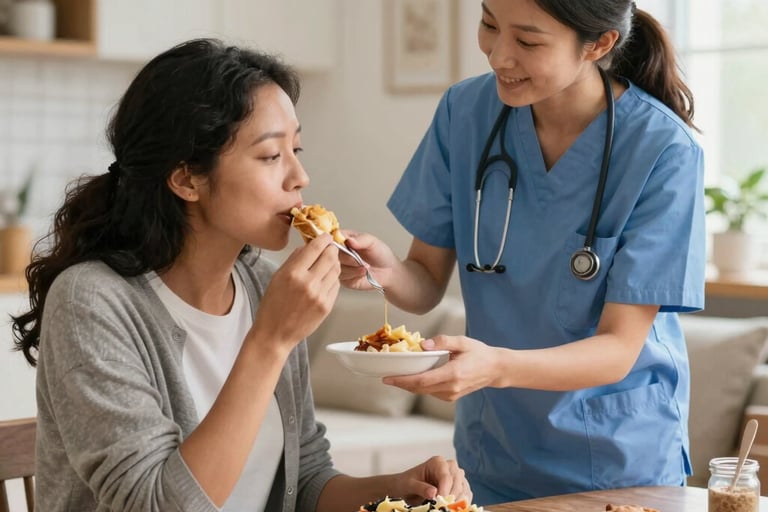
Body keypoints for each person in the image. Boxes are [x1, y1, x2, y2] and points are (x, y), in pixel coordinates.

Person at [10, 38, 470, 512]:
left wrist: (398, 489)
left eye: (297, 148)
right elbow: (154, 505)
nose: (300, 177)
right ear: (187, 178)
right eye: (272, 156)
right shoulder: (92, 301)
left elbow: (304, 478)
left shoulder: (261, 283)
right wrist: (270, 339)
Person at [339, 0, 705, 505]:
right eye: (489, 24)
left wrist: (494, 366)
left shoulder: (662, 150)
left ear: (598, 45)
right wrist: (386, 271)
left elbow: (619, 348)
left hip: (618, 462)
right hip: (495, 451)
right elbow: (424, 281)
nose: (498, 56)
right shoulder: (464, 114)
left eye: (528, 41)